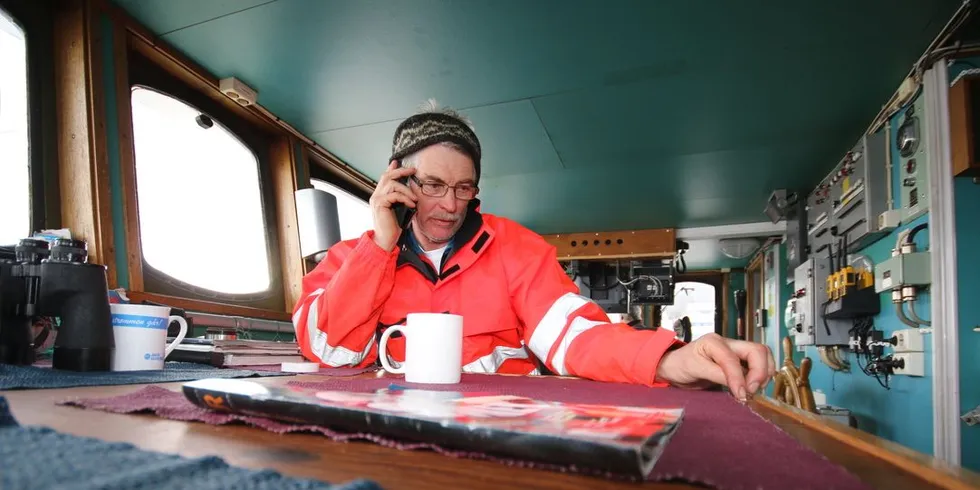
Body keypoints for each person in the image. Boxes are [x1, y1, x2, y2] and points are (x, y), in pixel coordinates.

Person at [292, 101, 775, 400]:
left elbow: (574, 334)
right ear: (397, 179)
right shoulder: (355, 255)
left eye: (464, 188)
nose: (448, 205)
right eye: (433, 185)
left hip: (497, 437)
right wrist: (380, 247)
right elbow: (329, 352)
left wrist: (667, 359)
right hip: (384, 437)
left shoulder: (517, 248)